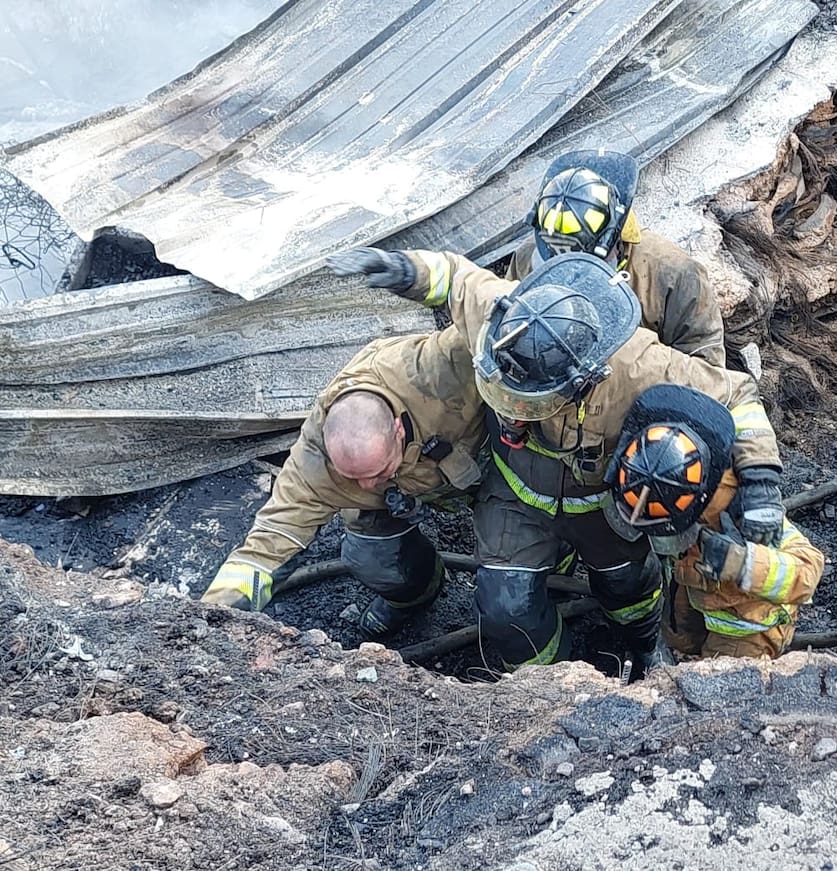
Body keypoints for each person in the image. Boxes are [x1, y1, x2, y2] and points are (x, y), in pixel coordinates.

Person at [328, 247, 783, 674]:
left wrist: (761, 481)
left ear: (584, 377)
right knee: (505, 610)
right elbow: (454, 279)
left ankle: (643, 645)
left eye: (528, 403)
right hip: (514, 494)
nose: (512, 414)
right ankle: (547, 681)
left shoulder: (639, 366)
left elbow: (736, 393)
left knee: (628, 589)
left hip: (599, 502)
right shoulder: (509, 318)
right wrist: (402, 269)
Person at [200, 330, 486, 637]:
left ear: (398, 431)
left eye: (377, 471)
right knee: (372, 558)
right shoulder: (314, 460)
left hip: (492, 467)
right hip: (405, 493)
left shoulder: (440, 368)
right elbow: (269, 544)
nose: (366, 486)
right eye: (352, 476)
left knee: (508, 592)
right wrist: (211, 616)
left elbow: (494, 322)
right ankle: (415, 597)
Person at [605, 384, 825, 659]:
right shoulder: (648, 463)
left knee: (716, 678)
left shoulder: (737, 505)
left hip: (745, 626)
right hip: (695, 588)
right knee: (678, 639)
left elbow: (809, 571)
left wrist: (742, 563)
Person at [507, 149, 726, 366]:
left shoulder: (674, 274)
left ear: (613, 239)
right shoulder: (529, 256)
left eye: (585, 265)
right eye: (557, 266)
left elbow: (707, 369)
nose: (571, 275)